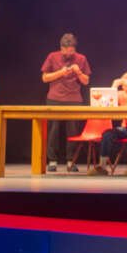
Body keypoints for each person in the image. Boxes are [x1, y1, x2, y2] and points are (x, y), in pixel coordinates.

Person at [40, 32, 91, 173]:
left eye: (72, 51)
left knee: (73, 131)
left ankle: (71, 161)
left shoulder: (81, 58)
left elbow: (86, 81)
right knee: (53, 131)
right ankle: (52, 161)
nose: (69, 54)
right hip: (54, 99)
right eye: (67, 51)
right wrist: (60, 73)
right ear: (61, 48)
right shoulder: (52, 56)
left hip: (74, 100)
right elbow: (44, 78)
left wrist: (79, 72)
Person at [89, 71, 127, 176]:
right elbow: (106, 103)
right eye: (122, 84)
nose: (123, 87)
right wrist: (114, 86)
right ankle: (102, 166)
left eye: (126, 84)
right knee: (107, 134)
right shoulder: (121, 94)